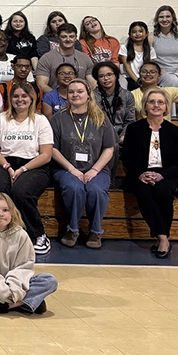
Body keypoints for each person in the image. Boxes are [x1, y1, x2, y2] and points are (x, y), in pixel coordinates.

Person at [0, 193, 58, 315]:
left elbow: (24, 266)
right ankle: (27, 303)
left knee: (50, 280)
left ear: (12, 213)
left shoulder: (21, 235)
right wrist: (1, 287)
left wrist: (14, 289)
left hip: (17, 283)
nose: (1, 214)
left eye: (5, 210)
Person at [0, 82, 54, 255]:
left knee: (21, 192)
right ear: (10, 99)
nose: (20, 100)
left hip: (34, 165)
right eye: (16, 96)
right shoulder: (1, 119)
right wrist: (7, 167)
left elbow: (46, 154)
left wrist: (23, 169)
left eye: (24, 96)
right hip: (4, 163)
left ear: (31, 99)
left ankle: (38, 234)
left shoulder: (40, 120)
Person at [50, 79, 115, 249]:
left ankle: (95, 231)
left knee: (96, 190)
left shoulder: (101, 118)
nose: (75, 95)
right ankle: (72, 229)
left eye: (79, 91)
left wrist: (94, 169)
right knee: (74, 188)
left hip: (97, 168)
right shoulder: (57, 119)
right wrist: (71, 169)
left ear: (88, 95)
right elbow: (53, 149)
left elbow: (109, 148)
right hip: (66, 168)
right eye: (71, 92)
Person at [122, 88, 178, 259]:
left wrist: (161, 175)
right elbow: (127, 158)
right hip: (139, 173)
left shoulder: (175, 131)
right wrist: (142, 174)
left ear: (166, 107)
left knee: (163, 191)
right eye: (152, 102)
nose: (156, 105)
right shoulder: (134, 129)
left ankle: (161, 238)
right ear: (145, 105)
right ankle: (164, 238)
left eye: (160, 102)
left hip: (166, 174)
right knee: (144, 191)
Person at [151, 6, 178, 118]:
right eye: (161, 17)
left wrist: (177, 73)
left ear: (173, 18)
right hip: (161, 72)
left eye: (167, 16)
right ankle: (172, 115)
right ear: (157, 19)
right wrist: (160, 72)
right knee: (171, 80)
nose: (164, 19)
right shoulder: (152, 37)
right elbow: (149, 60)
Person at [93, 62, 136, 170]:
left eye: (109, 75)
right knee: (113, 146)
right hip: (99, 134)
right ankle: (109, 179)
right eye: (101, 76)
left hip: (121, 133)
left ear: (115, 76)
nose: (106, 79)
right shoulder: (92, 96)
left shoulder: (127, 95)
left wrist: (123, 135)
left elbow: (130, 120)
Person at [34, 23, 94, 94]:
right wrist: (59, 98)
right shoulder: (46, 58)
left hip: (80, 99)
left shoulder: (85, 58)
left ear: (75, 38)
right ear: (57, 37)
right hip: (54, 100)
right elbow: (41, 84)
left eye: (71, 36)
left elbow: (92, 83)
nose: (68, 39)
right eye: (64, 37)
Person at [119, 21, 154, 91]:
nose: (137, 34)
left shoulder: (150, 49)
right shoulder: (124, 48)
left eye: (140, 31)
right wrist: (138, 80)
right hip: (130, 78)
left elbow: (151, 67)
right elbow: (127, 68)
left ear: (146, 33)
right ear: (129, 34)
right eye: (134, 32)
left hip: (146, 78)